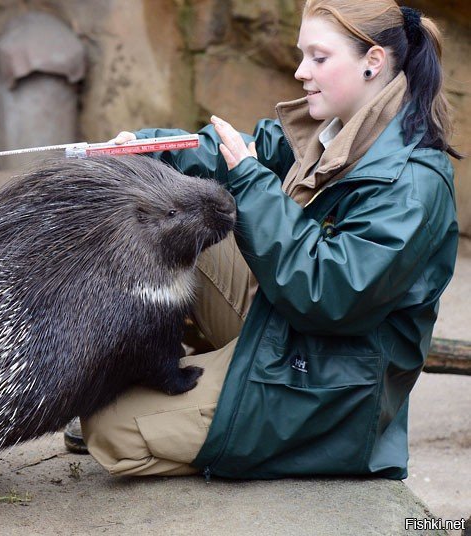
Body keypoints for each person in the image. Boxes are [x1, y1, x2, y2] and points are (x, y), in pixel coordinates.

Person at [76, 0, 461, 480]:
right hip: (290, 327)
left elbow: (330, 294)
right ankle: (170, 370)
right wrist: (149, 150)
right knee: (178, 222)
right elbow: (232, 150)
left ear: (373, 62)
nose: (301, 72)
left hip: (332, 383)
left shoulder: (413, 184)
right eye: (302, 55)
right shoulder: (336, 127)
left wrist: (252, 182)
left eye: (318, 58)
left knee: (108, 429)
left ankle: (253, 427)